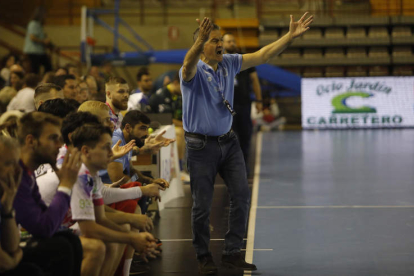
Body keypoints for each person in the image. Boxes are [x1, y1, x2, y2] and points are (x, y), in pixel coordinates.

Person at [180, 14, 313, 274]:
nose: (220, 44)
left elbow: (263, 55)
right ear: (202, 44)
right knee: (201, 205)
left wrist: (290, 36)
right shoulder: (193, 71)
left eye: (220, 40)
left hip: (228, 142)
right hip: (200, 147)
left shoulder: (229, 63)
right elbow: (187, 64)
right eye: (214, 40)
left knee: (241, 195)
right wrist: (198, 43)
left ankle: (231, 253)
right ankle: (204, 256)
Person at [69, 124, 158, 276]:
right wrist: (132, 237)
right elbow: (89, 227)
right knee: (100, 246)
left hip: (67, 226)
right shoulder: (80, 174)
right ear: (85, 151)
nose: (112, 153)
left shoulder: (91, 172)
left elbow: (100, 214)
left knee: (121, 229)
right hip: (56, 232)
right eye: (106, 148)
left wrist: (132, 232)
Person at [13, 112, 83, 276]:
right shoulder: (14, 173)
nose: (60, 145)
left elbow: (46, 219)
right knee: (60, 248)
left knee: (69, 240)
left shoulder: (27, 172)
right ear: (31, 141)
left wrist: (66, 186)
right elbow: (43, 228)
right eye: (53, 138)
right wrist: (65, 186)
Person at [222, 33, 263, 172]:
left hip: (244, 104)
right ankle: (230, 166)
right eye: (228, 41)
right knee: (229, 137)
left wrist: (259, 100)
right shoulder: (219, 61)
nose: (232, 43)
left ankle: (244, 165)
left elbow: (255, 81)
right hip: (226, 107)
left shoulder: (244, 60)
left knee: (246, 135)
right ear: (223, 44)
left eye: (233, 41)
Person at [100, 110, 174, 186]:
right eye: (142, 128)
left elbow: (131, 171)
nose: (146, 134)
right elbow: (118, 180)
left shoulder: (127, 141)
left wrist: (150, 181)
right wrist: (143, 188)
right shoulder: (117, 141)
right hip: (105, 192)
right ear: (128, 128)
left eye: (147, 129)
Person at [23, 7, 52, 74]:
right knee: (35, 69)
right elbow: (32, 37)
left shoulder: (39, 24)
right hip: (33, 51)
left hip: (40, 50)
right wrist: (43, 41)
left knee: (48, 67)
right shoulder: (33, 24)